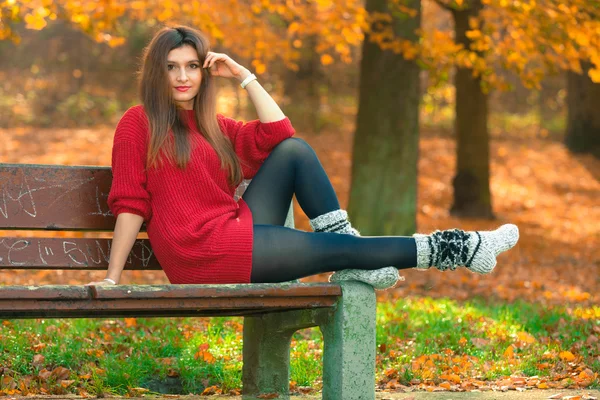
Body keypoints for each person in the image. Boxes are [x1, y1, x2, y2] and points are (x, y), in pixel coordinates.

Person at [86, 25, 519, 290]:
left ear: (204, 71)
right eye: (171, 67)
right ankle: (464, 247)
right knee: (334, 250)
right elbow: (130, 204)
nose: (182, 76)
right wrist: (112, 278)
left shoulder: (214, 127)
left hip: (234, 226)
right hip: (203, 253)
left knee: (294, 150)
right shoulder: (138, 123)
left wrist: (244, 76)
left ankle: (353, 256)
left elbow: (280, 133)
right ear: (156, 71)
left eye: (192, 66)